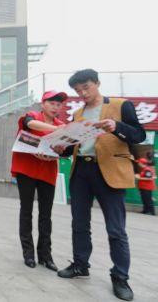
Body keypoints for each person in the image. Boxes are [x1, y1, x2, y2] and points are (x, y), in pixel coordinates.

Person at [55, 69, 145, 302]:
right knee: (79, 224)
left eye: (86, 87)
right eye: (78, 90)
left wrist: (117, 126)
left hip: (110, 170)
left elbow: (139, 135)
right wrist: (58, 149)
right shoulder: (77, 114)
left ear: (97, 83)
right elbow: (72, 145)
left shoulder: (120, 105)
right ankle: (80, 265)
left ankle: (120, 276)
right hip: (81, 171)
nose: (82, 93)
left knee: (116, 229)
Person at [11, 90, 67, 271]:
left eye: (59, 104)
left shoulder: (62, 124)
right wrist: (54, 129)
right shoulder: (34, 116)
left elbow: (66, 150)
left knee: (46, 215)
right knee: (26, 210)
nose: (55, 107)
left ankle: (45, 255)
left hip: (47, 171)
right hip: (26, 170)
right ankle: (28, 253)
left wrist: (59, 152)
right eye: (52, 103)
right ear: (43, 104)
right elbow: (28, 123)